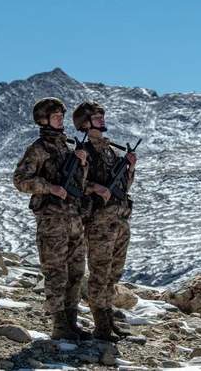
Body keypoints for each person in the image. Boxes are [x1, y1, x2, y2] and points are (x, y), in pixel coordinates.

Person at [13, 97, 91, 341]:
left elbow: (80, 183)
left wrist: (82, 164)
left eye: (61, 116)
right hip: (52, 220)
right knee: (56, 272)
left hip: (73, 219)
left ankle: (71, 321)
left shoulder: (66, 147)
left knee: (76, 272)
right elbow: (20, 180)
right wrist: (49, 187)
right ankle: (59, 325)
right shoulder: (38, 149)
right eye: (55, 116)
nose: (60, 120)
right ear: (43, 120)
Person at [72, 101, 137, 341]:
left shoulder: (112, 151)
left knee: (113, 275)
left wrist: (130, 169)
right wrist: (96, 187)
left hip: (119, 221)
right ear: (85, 124)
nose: (101, 120)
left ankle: (108, 321)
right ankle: (101, 327)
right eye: (96, 117)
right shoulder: (84, 152)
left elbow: (123, 187)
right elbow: (76, 184)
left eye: (101, 116)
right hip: (99, 223)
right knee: (100, 274)